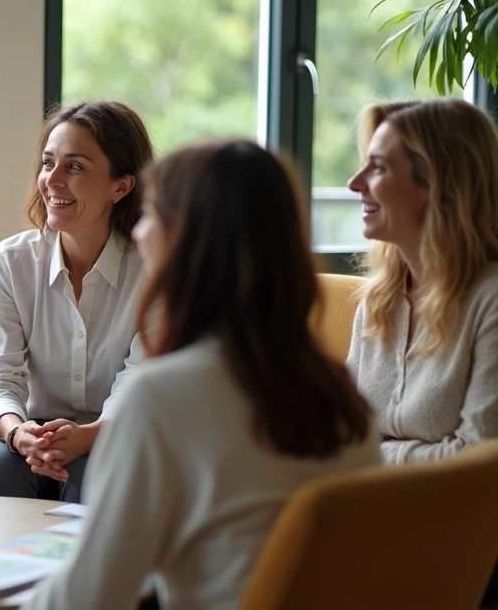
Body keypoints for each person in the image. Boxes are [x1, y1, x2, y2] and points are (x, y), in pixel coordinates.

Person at [27, 140, 380, 610]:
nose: (136, 234)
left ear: (187, 240)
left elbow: (86, 598)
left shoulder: (163, 397)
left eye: (151, 215)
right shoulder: (338, 394)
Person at [0, 100, 152, 502]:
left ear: (120, 186)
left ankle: (87, 569)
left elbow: (144, 380)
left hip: (117, 437)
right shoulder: (11, 261)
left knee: (95, 466)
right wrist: (17, 433)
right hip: (30, 433)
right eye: (48, 163)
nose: (52, 180)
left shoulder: (157, 269)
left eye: (75, 166)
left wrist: (88, 436)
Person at [346, 99, 498, 464]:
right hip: (367, 507)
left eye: (378, 168)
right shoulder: (379, 301)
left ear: (435, 183)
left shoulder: (490, 301)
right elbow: (347, 433)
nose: (355, 183)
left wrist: (374, 454)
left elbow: (476, 462)